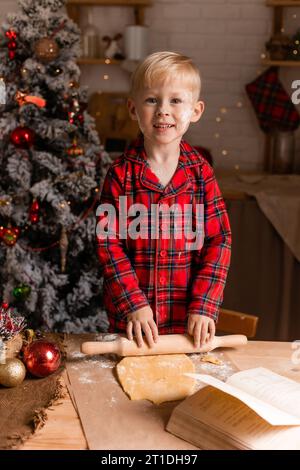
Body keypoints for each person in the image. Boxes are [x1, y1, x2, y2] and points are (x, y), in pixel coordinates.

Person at [96, 51, 231, 350]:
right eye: (152, 100)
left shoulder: (201, 174)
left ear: (195, 111)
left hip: (187, 326)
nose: (163, 111)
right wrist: (134, 303)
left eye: (175, 100)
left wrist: (205, 304)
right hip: (134, 327)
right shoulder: (120, 175)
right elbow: (108, 245)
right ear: (133, 108)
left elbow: (219, 241)